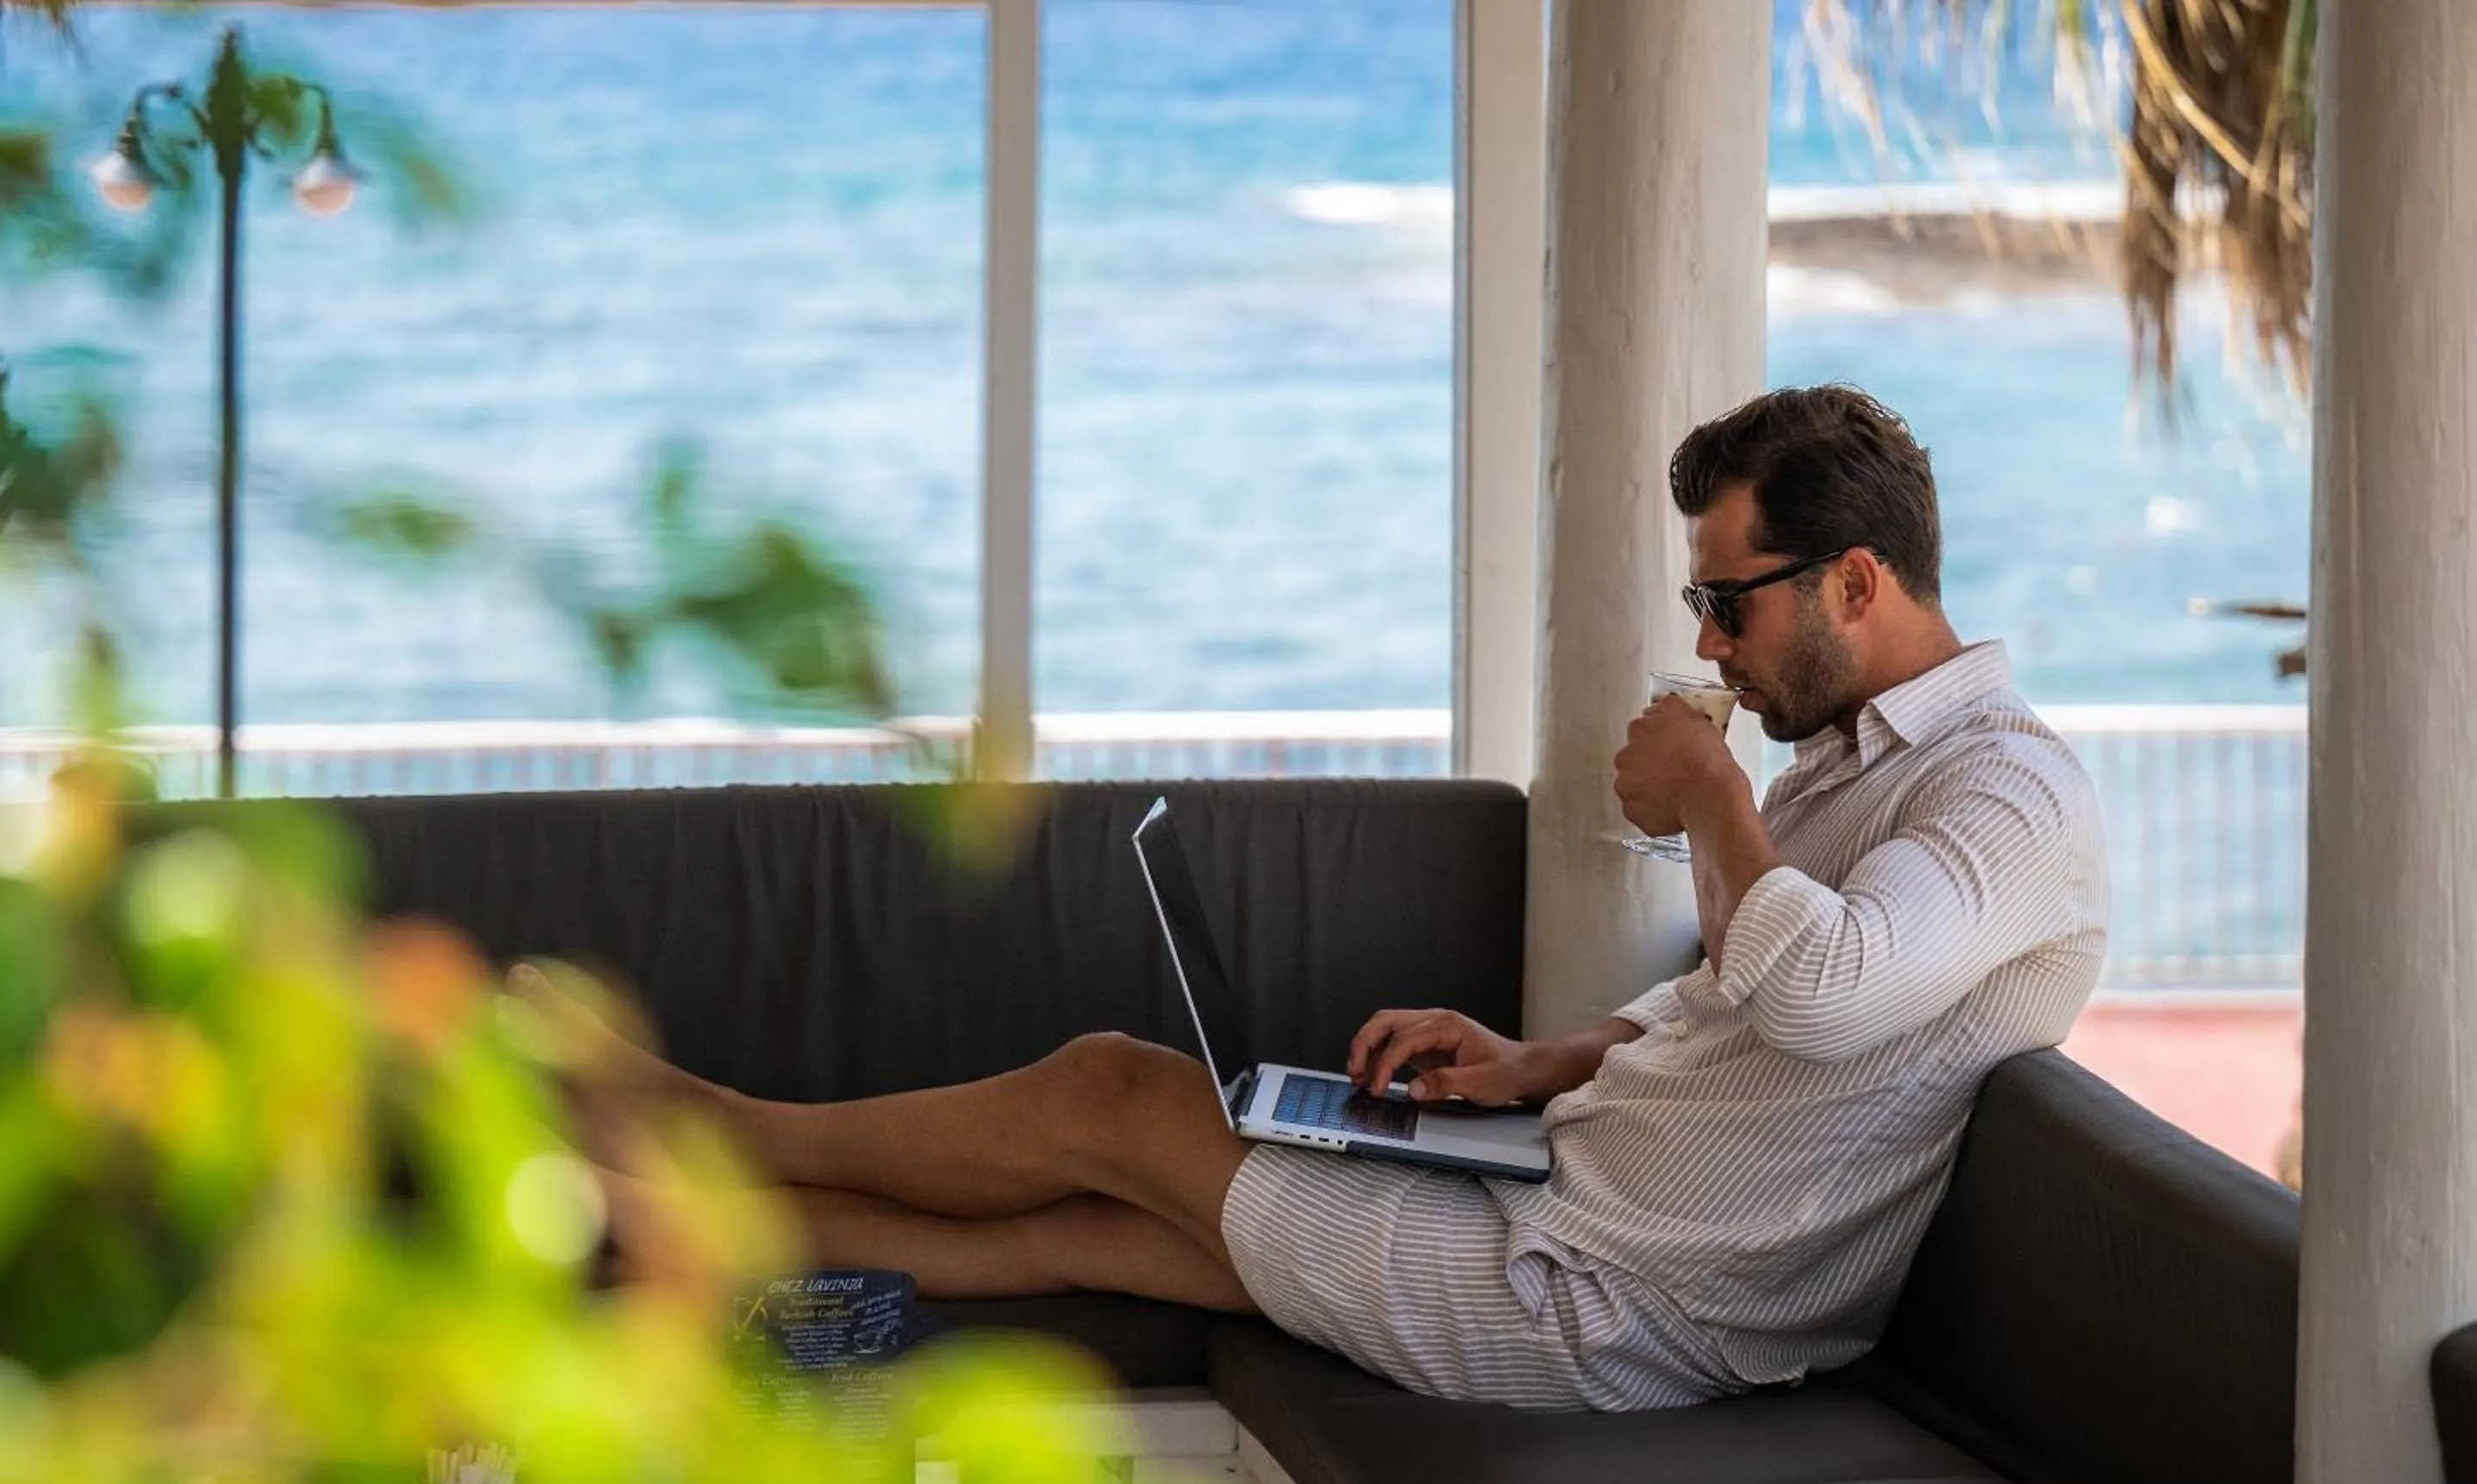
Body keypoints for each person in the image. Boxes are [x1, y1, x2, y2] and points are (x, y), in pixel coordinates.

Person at [527, 382, 2108, 1413]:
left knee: (1115, 1099)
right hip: (1573, 1189)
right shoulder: (1843, 761)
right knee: (1110, 1233)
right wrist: (1543, 1058)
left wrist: (1707, 801)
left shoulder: (2008, 798)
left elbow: (1833, 989)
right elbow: (1745, 1001)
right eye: (1701, 603)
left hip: (1619, 1304)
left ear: (1854, 583)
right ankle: (682, 1231)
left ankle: (712, 1127)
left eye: (1727, 601)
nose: (1706, 644)